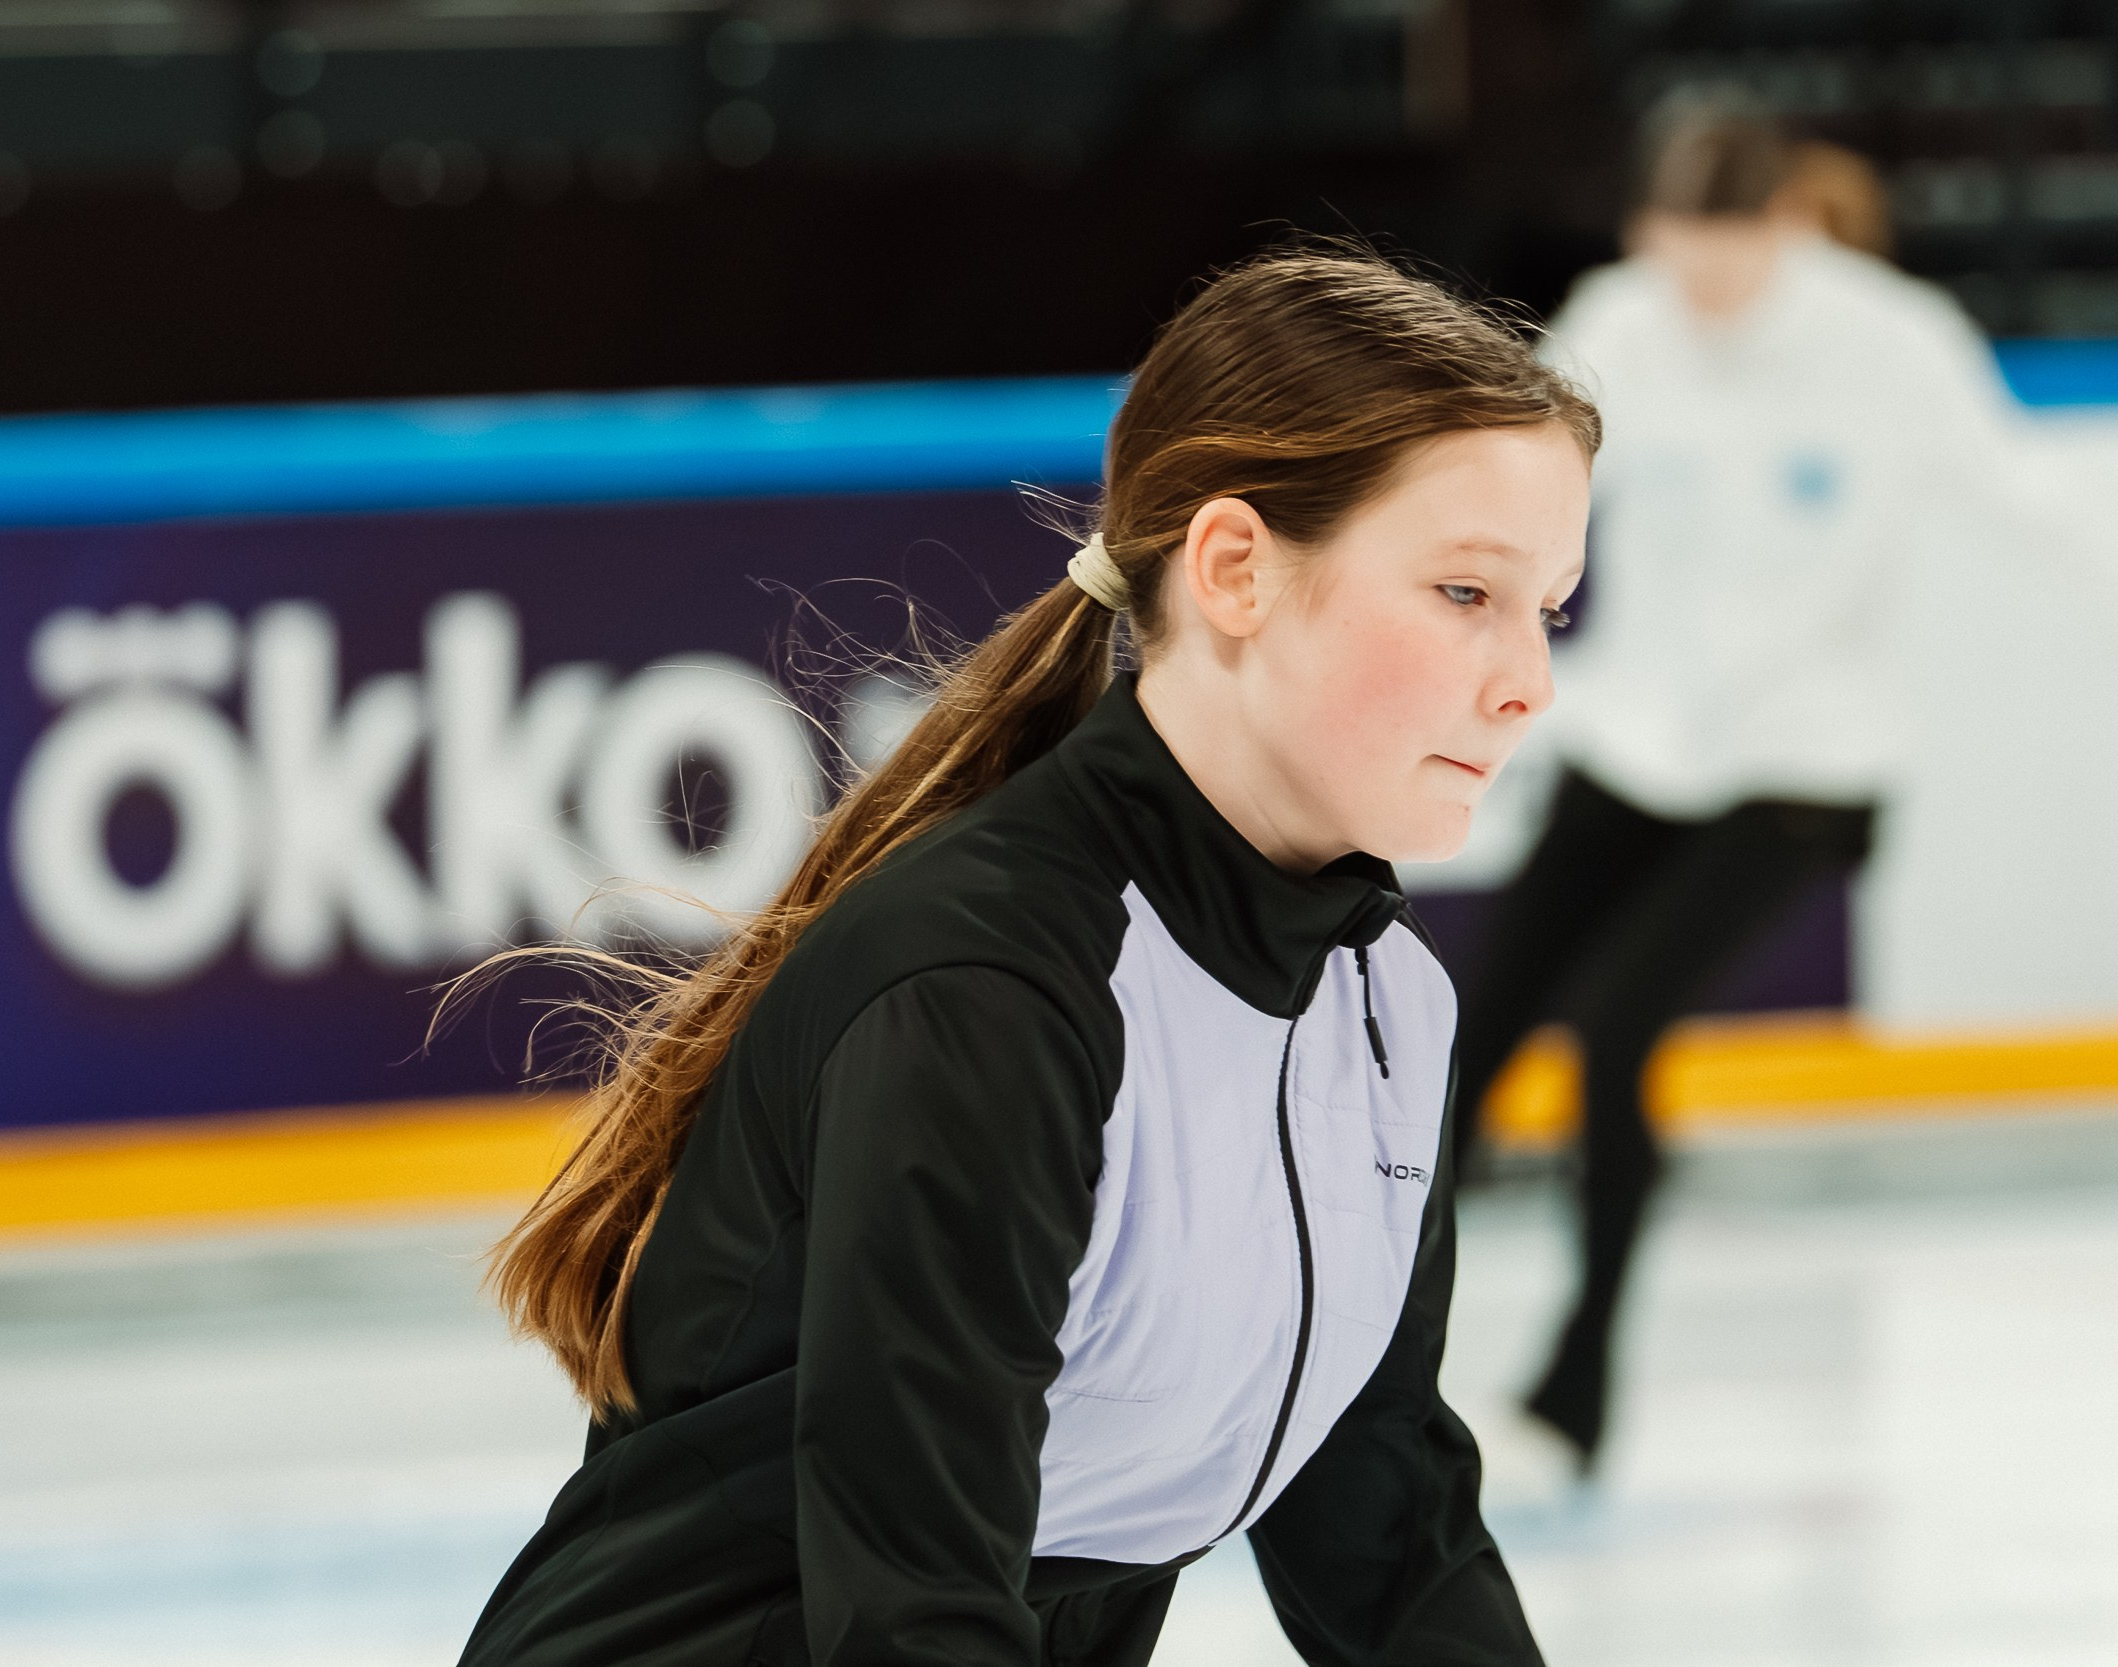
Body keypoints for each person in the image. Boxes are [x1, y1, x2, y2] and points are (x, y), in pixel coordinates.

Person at [458, 248, 1598, 1667]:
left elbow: (1386, 1531)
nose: (1529, 681)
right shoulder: (993, 987)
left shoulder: (1383, 1004)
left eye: (1548, 608)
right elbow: (914, 1591)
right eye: (1463, 594)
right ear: (1236, 568)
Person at [1454, 93, 2118, 1466]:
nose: (1706, 294)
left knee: (1616, 1034)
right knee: (1468, 1049)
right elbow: (1484, 496)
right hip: (1641, 744)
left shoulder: (1890, 348)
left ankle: (1578, 1378)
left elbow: (2054, 512)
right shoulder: (1616, 325)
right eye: (1681, 257)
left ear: (1782, 228)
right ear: (1646, 235)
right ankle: (1358, 1388)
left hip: (1810, 768)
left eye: (1731, 260)